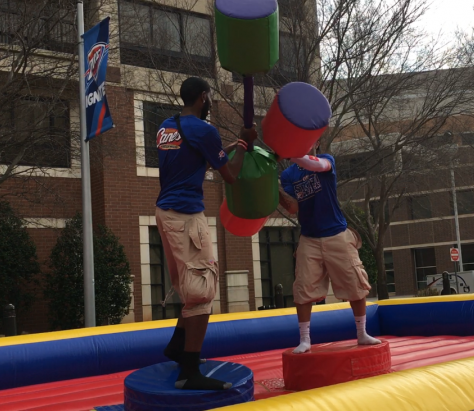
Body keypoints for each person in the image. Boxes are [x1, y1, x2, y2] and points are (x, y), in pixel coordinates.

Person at [156, 77, 257, 390]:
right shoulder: (204, 130)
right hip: (186, 216)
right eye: (210, 96)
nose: (210, 100)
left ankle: (177, 347)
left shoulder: (166, 127)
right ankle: (189, 373)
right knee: (202, 291)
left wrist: (229, 148)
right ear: (203, 97)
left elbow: (196, 160)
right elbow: (231, 175)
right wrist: (244, 145)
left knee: (187, 287)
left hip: (165, 212)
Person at [278, 141, 381, 354]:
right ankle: (304, 339)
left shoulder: (326, 160)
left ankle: (362, 333)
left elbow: (315, 165)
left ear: (316, 142)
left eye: (309, 139)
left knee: (355, 283)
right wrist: (274, 188)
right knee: (303, 287)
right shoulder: (289, 174)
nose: (306, 142)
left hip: (337, 233)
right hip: (309, 237)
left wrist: (290, 152)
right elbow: (292, 207)